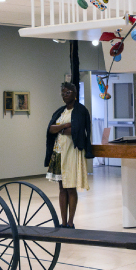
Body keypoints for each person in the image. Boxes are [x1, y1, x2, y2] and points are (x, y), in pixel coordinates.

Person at [45, 82, 93, 228]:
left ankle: (71, 222)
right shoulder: (60, 111)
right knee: (62, 188)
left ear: (75, 93)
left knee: (70, 187)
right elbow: (50, 129)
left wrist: (63, 129)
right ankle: (63, 222)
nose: (65, 95)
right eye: (63, 93)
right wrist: (64, 126)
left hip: (72, 151)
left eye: (68, 92)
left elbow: (77, 130)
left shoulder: (80, 111)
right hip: (59, 152)